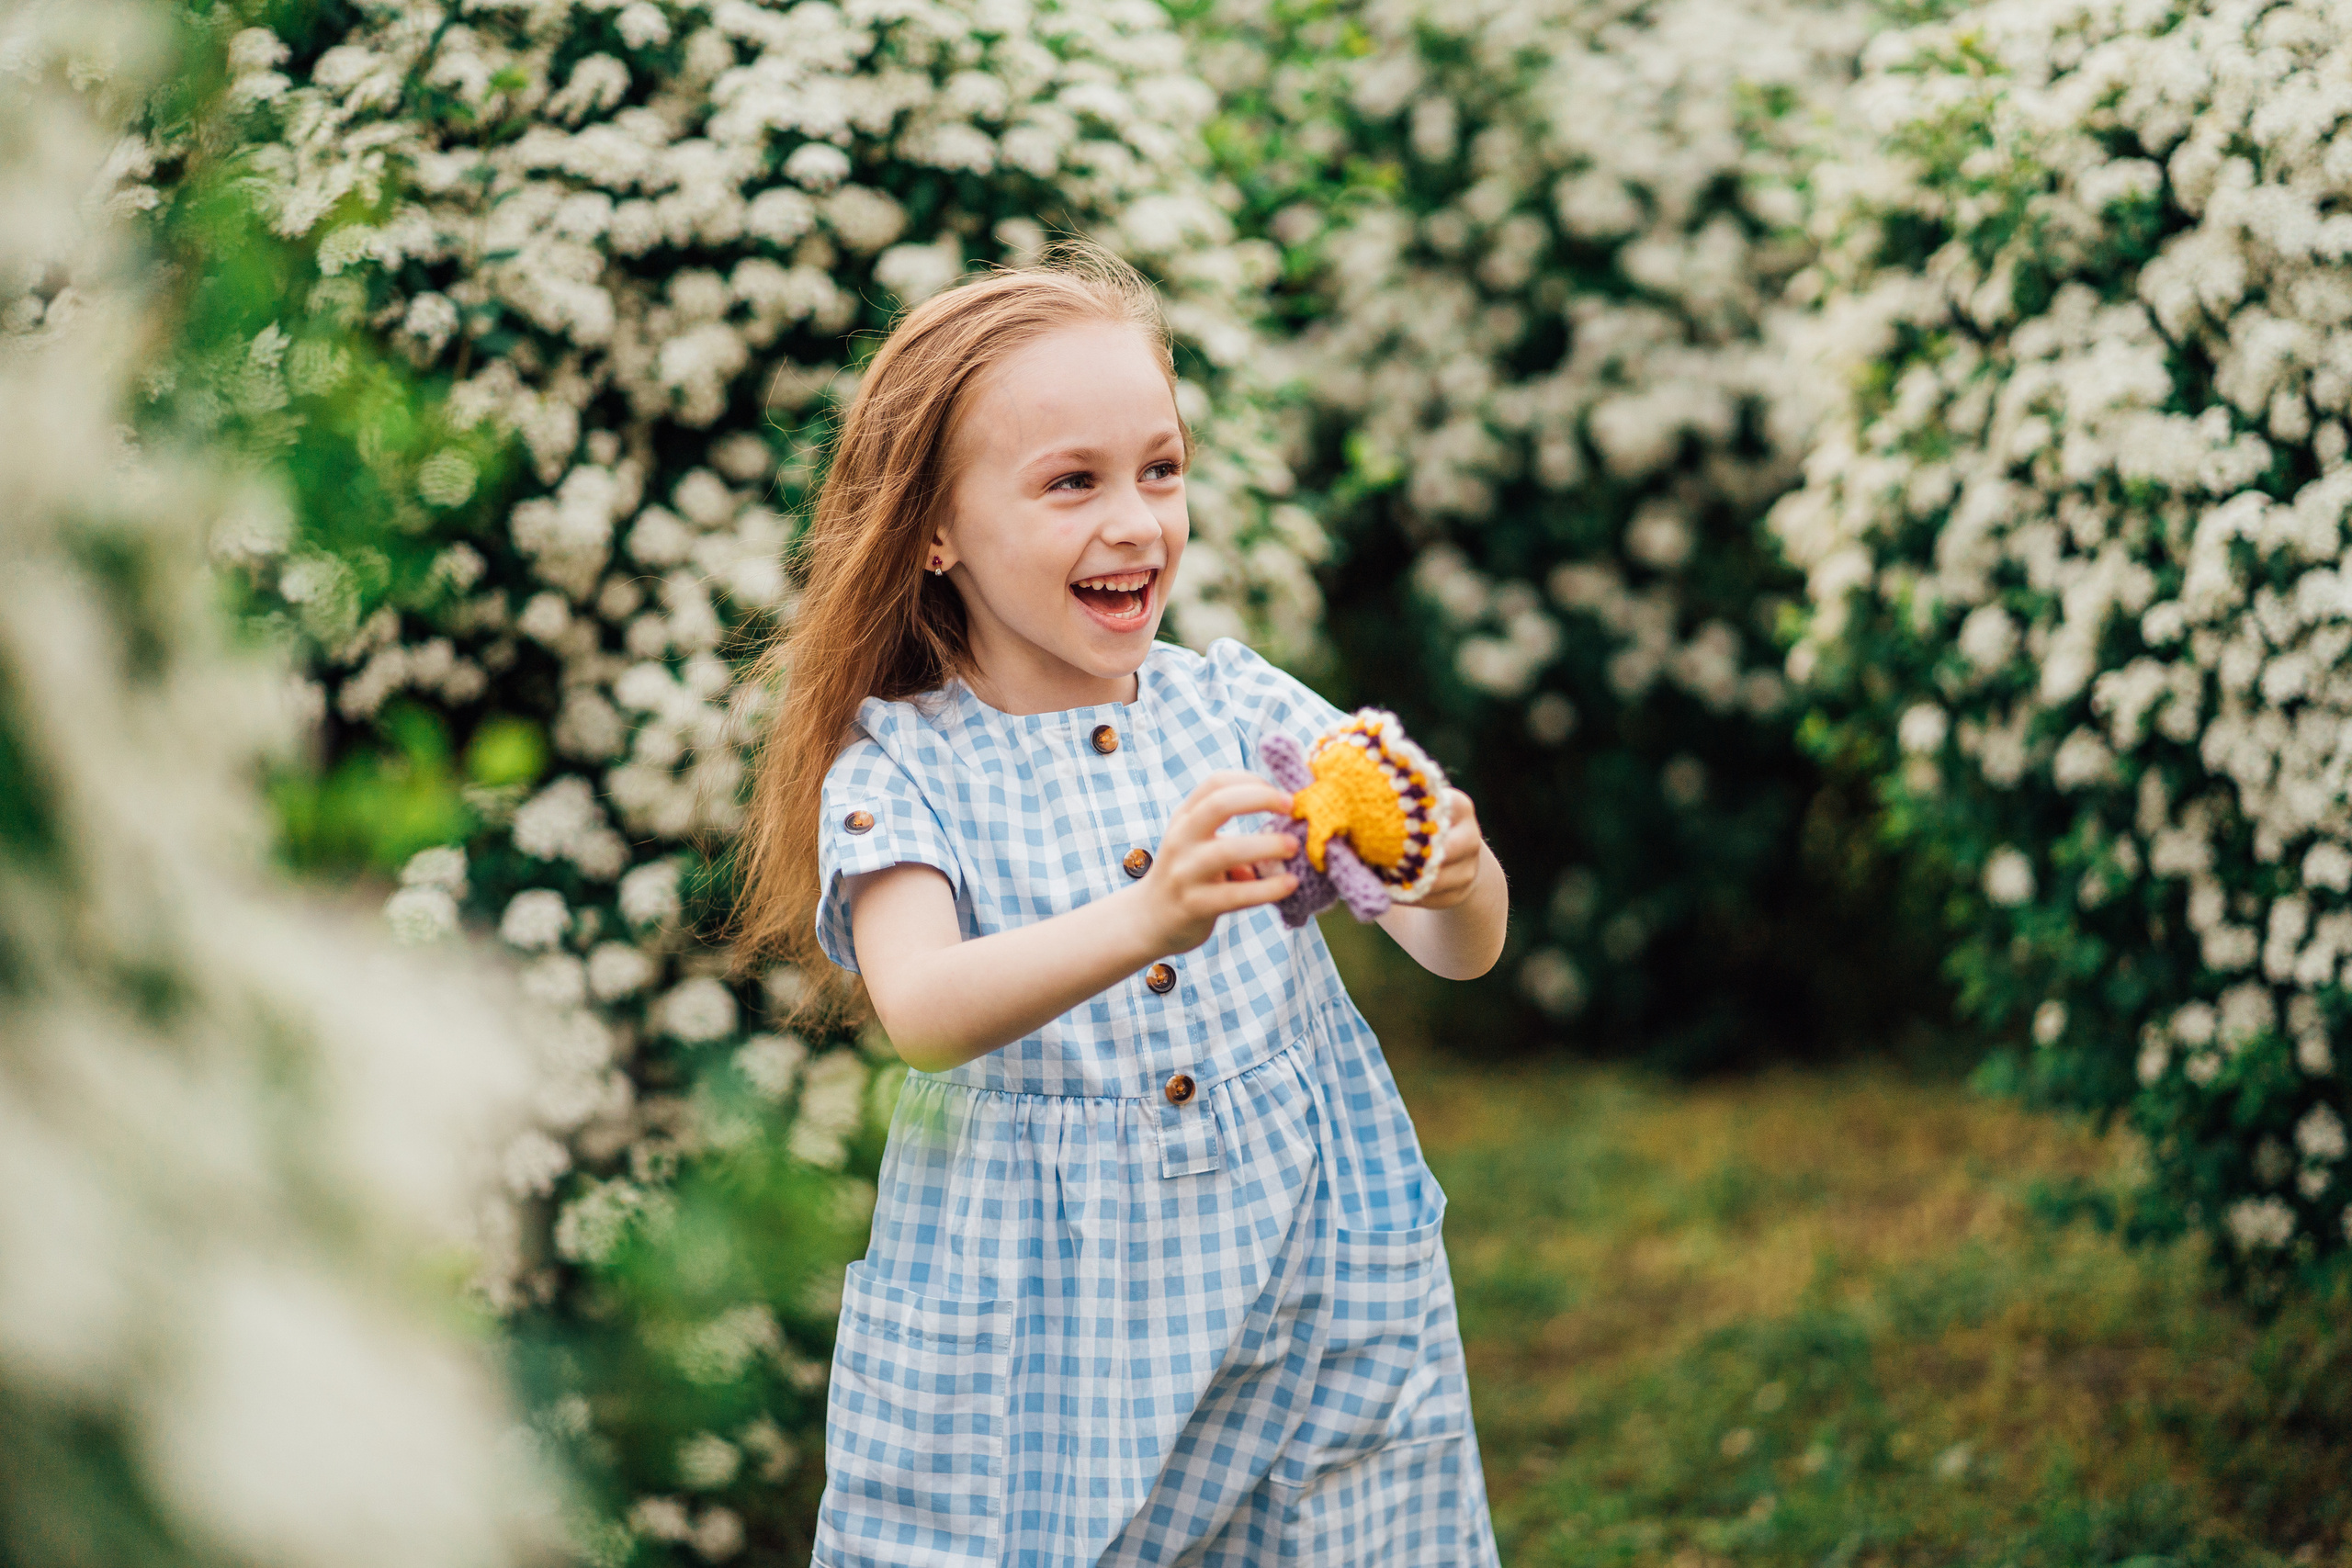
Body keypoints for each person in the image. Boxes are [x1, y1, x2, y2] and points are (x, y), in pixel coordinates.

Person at [732, 244, 1508, 1568]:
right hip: (1051, 1323)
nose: (1138, 521)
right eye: (1071, 484)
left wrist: (1454, 869)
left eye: (1161, 469)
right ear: (933, 531)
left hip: (1302, 1277)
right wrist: (1146, 918)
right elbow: (919, 1010)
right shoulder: (908, 767)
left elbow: (1459, 952)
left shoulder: (1240, 713)